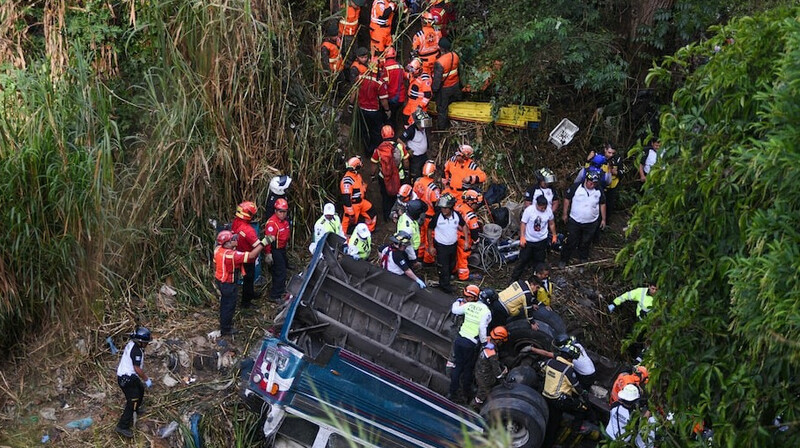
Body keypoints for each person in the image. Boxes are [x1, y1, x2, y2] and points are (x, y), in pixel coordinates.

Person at [214, 230, 265, 335]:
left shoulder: (218, 250)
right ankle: (226, 329)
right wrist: (263, 243)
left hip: (220, 280)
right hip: (228, 283)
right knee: (229, 305)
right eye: (233, 239)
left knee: (225, 303)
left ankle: (225, 324)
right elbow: (251, 256)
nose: (236, 240)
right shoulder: (231, 255)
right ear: (227, 243)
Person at [448, 285, 490, 402]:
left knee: (458, 366)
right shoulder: (486, 311)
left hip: (459, 340)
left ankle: (452, 392)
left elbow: (455, 310)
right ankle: (467, 392)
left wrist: (457, 301)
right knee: (467, 369)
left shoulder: (468, 305)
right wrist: (485, 343)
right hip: (470, 344)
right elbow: (482, 329)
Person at [542, 339, 587, 448]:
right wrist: (584, 394)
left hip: (545, 395)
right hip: (558, 400)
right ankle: (574, 433)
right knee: (582, 409)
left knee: (552, 420)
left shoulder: (549, 362)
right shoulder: (568, 370)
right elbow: (576, 388)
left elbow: (543, 369)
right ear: (568, 358)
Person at [559, 170, 606, 267]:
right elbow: (567, 198)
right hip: (575, 220)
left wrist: (603, 219)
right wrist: (565, 213)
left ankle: (583, 258)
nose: (592, 185)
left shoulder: (598, 190)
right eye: (591, 183)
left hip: (591, 222)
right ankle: (564, 259)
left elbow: (602, 203)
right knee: (570, 240)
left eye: (595, 183)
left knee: (586, 241)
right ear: (586, 180)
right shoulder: (576, 187)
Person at [115, 327, 153, 438]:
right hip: (126, 378)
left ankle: (136, 408)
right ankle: (122, 426)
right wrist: (146, 379)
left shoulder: (133, 344)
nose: (147, 344)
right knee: (132, 401)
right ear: (140, 342)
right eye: (146, 343)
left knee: (140, 390)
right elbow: (137, 368)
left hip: (130, 375)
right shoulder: (136, 350)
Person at [427, 193, 468, 293]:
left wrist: (466, 240)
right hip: (441, 246)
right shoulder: (437, 217)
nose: (443, 210)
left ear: (451, 207)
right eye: (442, 208)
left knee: (451, 264)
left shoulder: (457, 216)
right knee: (443, 267)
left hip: (452, 245)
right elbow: (429, 229)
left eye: (446, 208)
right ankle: (445, 286)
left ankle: (447, 278)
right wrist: (431, 246)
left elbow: (464, 225)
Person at [511, 195, 557, 282]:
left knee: (539, 261)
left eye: (545, 208)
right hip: (529, 240)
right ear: (537, 205)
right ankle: (514, 278)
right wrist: (522, 237)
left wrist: (554, 235)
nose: (543, 209)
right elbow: (523, 223)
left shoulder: (548, 211)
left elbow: (551, 223)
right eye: (542, 208)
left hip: (541, 240)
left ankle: (536, 280)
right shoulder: (529, 210)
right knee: (523, 260)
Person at [371, 125, 408, 220]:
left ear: (382, 135)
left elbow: (374, 165)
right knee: (399, 196)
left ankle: (387, 217)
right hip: (399, 175)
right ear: (393, 134)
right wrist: (407, 171)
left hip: (384, 177)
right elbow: (406, 161)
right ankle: (399, 217)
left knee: (385, 198)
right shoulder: (400, 147)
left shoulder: (378, 150)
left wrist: (372, 175)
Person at [352, 60, 389, 155]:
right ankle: (375, 152)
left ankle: (366, 150)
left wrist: (351, 104)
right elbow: (383, 100)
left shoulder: (360, 77)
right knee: (375, 131)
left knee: (364, 130)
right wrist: (387, 110)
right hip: (374, 111)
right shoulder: (379, 82)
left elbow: (353, 93)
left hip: (361, 109)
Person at [231, 201, 263, 308]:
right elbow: (258, 245)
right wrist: (267, 242)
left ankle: (250, 293)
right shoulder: (248, 230)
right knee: (248, 278)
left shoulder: (236, 223)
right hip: (248, 257)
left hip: (238, 254)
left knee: (247, 277)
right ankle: (246, 302)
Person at [472, 326, 509, 410]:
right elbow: (497, 372)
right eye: (502, 341)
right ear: (498, 340)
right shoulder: (492, 354)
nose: (502, 343)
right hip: (484, 377)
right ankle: (474, 407)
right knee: (482, 393)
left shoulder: (486, 340)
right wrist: (503, 382)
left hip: (478, 369)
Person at [413, 160, 441, 264]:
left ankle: (420, 255)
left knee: (421, 236)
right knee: (430, 239)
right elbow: (437, 205)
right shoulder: (433, 188)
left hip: (420, 215)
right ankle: (428, 260)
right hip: (430, 216)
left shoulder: (417, 182)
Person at [340, 155, 377, 235]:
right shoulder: (347, 181)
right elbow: (346, 199)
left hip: (361, 202)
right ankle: (344, 239)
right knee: (349, 224)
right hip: (353, 205)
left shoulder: (357, 176)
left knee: (371, 212)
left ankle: (368, 231)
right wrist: (350, 213)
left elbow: (362, 186)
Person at [264, 198, 291, 302]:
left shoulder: (284, 221)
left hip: (282, 249)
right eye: (280, 212)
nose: (283, 214)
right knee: (280, 272)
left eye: (284, 212)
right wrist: (268, 253)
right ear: (275, 211)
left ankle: (280, 289)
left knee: (283, 270)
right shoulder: (272, 223)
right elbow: (268, 239)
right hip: (275, 249)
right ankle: (275, 295)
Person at [431, 37, 460, 129]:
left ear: (441, 48)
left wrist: (434, 92)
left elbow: (437, 81)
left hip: (445, 89)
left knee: (442, 109)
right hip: (455, 85)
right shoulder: (455, 55)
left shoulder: (440, 62)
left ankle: (442, 129)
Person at [454, 189, 482, 281]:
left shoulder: (458, 206)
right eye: (476, 203)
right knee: (463, 257)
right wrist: (476, 240)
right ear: (471, 202)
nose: (477, 206)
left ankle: (454, 270)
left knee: (455, 255)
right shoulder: (470, 215)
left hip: (454, 235)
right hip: (463, 239)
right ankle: (463, 276)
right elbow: (474, 230)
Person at [399, 108, 431, 179]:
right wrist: (407, 148)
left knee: (426, 172)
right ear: (417, 123)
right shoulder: (411, 130)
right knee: (416, 176)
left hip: (424, 156)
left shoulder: (423, 128)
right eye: (422, 124)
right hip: (415, 158)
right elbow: (399, 140)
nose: (424, 126)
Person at [402, 59, 433, 126]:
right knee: (405, 115)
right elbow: (407, 76)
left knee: (414, 122)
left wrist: (420, 106)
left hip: (418, 103)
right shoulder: (414, 74)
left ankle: (413, 135)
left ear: (418, 69)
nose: (411, 71)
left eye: (412, 70)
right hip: (411, 102)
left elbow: (428, 95)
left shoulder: (424, 79)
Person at [412, 11, 442, 76]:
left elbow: (414, 52)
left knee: (425, 81)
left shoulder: (418, 36)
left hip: (424, 63)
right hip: (437, 59)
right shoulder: (438, 32)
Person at [382, 47, 405, 123]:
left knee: (387, 118)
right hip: (399, 98)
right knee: (394, 117)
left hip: (389, 98)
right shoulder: (400, 67)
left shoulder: (384, 68)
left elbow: (383, 85)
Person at [338, 0, 361, 65]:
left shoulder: (357, 8)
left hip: (354, 33)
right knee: (348, 53)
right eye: (356, 4)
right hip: (346, 34)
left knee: (355, 50)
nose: (357, 6)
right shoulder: (344, 8)